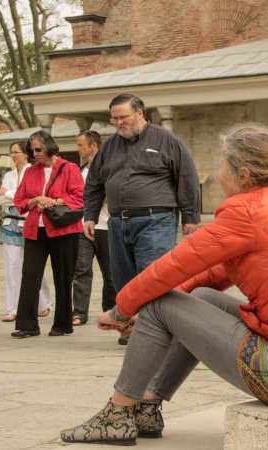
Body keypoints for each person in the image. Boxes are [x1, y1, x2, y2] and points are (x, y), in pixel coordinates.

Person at [61, 122, 268, 445]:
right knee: (200, 296)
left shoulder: (246, 212)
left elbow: (171, 267)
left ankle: (117, 415)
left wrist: (122, 310)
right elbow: (214, 272)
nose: (217, 171)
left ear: (243, 176)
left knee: (158, 301)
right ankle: (146, 407)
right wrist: (154, 309)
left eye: (222, 163)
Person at [83, 93, 201, 345]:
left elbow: (187, 177)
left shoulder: (165, 139)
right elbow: (94, 182)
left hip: (155, 220)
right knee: (123, 279)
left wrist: (190, 215)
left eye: (123, 117)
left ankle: (156, 331)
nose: (118, 123)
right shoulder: (109, 146)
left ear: (140, 113)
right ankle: (131, 330)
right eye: (114, 119)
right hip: (117, 222)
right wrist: (90, 215)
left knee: (152, 277)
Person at [11, 130, 84, 338]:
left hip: (64, 231)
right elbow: (19, 200)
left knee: (63, 278)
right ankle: (27, 325)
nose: (35, 154)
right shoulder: (31, 171)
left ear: (49, 146)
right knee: (30, 276)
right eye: (31, 150)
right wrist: (35, 201)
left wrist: (53, 201)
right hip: (36, 231)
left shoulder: (69, 168)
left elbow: (79, 198)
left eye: (38, 149)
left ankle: (62, 325)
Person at [0, 141, 53, 322]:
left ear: (25, 153)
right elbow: (2, 201)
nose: (13, 155)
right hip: (11, 223)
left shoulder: (34, 171)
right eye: (11, 152)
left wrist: (9, 194)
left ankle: (44, 303)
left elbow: (29, 198)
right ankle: (13, 308)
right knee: (12, 266)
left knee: (33, 266)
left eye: (16, 152)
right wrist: (13, 196)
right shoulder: (8, 175)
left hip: (32, 221)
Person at [71, 130, 116, 327]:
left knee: (111, 273)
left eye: (81, 144)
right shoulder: (79, 172)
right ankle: (79, 312)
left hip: (106, 227)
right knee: (81, 271)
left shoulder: (109, 168)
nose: (78, 149)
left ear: (94, 145)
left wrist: (89, 198)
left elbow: (108, 195)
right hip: (83, 227)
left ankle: (111, 309)